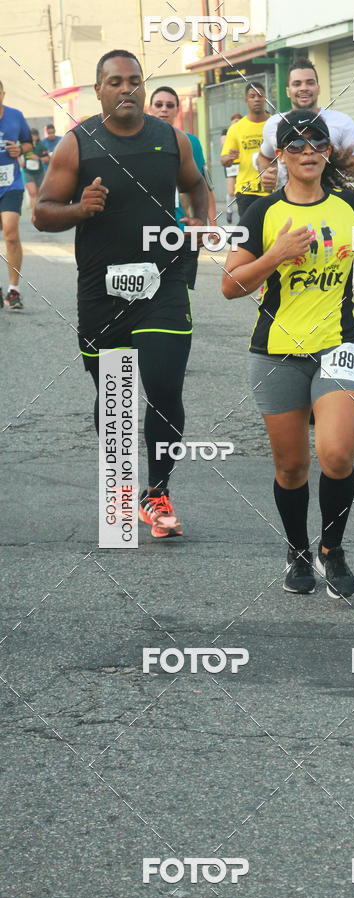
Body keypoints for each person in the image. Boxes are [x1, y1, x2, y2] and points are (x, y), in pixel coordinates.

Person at [34, 50, 209, 538]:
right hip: (103, 288)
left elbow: (197, 186)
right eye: (115, 81)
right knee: (115, 393)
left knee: (163, 381)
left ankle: (157, 493)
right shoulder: (77, 143)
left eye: (134, 80)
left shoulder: (171, 139)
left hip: (164, 282)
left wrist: (200, 223)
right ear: (99, 90)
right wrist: (80, 209)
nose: (126, 89)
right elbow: (43, 212)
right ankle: (120, 487)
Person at [221, 111, 354, 598]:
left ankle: (332, 550)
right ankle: (297, 550)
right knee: (291, 467)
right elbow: (230, 285)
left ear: (328, 151)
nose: (308, 151)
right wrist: (275, 254)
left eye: (317, 142)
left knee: (336, 455)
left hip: (339, 343)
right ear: (281, 156)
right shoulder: (263, 214)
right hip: (276, 351)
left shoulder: (349, 206)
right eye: (295, 145)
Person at [257, 58, 354, 192]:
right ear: (288, 91)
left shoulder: (341, 122)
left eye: (310, 83)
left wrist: (330, 157)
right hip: (289, 207)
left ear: (318, 88)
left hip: (332, 205)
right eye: (297, 84)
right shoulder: (273, 124)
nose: (304, 88)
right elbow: (264, 157)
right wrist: (267, 175)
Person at [148, 84, 217, 288]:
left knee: (180, 293)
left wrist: (209, 225)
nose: (164, 109)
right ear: (150, 108)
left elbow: (205, 186)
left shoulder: (191, 142)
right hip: (150, 232)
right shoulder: (138, 143)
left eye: (170, 105)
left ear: (177, 110)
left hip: (185, 231)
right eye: (159, 105)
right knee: (151, 291)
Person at [0, 80, 32, 310]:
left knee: (10, 233)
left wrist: (20, 149)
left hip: (11, 183)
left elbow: (29, 143)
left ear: (3, 94)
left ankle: (14, 290)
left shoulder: (15, 115)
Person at [220, 82, 269, 218]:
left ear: (265, 98)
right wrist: (229, 158)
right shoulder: (236, 128)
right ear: (246, 100)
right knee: (250, 235)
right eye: (252, 96)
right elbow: (223, 160)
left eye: (260, 95)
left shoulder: (274, 124)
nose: (256, 99)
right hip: (246, 190)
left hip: (272, 189)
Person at [221, 112, 242, 224]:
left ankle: (241, 211)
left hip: (242, 163)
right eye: (234, 121)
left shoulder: (244, 131)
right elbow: (224, 145)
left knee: (242, 189)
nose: (236, 123)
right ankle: (229, 210)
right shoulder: (226, 131)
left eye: (239, 121)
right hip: (231, 163)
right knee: (231, 190)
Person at [22, 128, 49, 205]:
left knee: (39, 194)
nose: (33, 137)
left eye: (34, 136)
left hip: (39, 172)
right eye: (31, 136)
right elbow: (17, 154)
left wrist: (39, 158)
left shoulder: (41, 146)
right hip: (28, 172)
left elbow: (47, 158)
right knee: (33, 193)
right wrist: (21, 162)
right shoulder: (25, 146)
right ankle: (34, 215)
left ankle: (37, 212)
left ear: (37, 136)